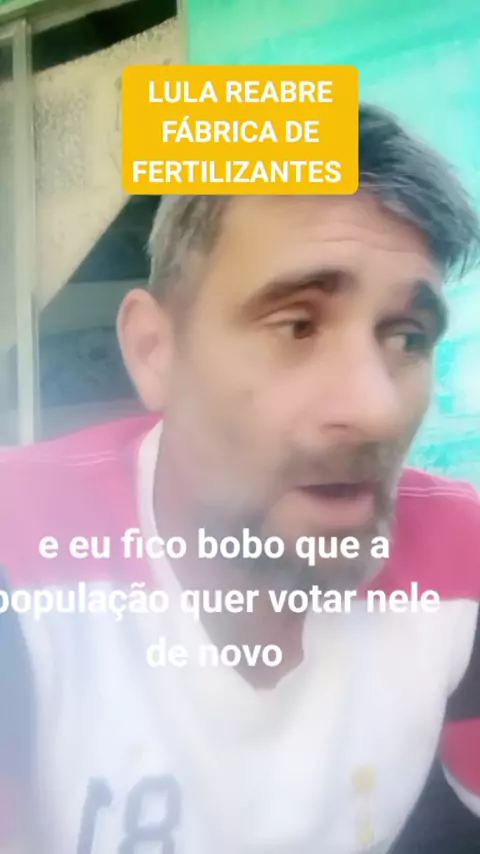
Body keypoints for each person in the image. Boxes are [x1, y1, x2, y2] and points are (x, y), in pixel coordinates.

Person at [1, 102, 480, 854]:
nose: (376, 409)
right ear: (155, 351)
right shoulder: (18, 550)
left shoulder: (462, 557)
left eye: (406, 338)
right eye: (297, 325)